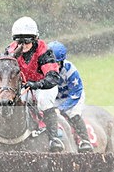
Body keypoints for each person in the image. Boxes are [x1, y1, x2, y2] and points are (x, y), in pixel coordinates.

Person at [5, 16, 64, 152]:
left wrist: (36, 84)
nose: (23, 45)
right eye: (19, 41)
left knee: (43, 101)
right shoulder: (10, 51)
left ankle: (54, 138)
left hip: (44, 86)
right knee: (5, 102)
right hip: (25, 87)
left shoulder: (44, 51)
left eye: (27, 40)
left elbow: (53, 77)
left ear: (35, 39)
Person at [49, 41, 93, 152]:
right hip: (55, 98)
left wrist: (62, 108)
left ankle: (85, 141)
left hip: (73, 96)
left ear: (62, 62)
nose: (54, 67)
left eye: (57, 64)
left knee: (73, 114)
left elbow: (76, 92)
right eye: (51, 63)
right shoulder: (43, 69)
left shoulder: (70, 70)